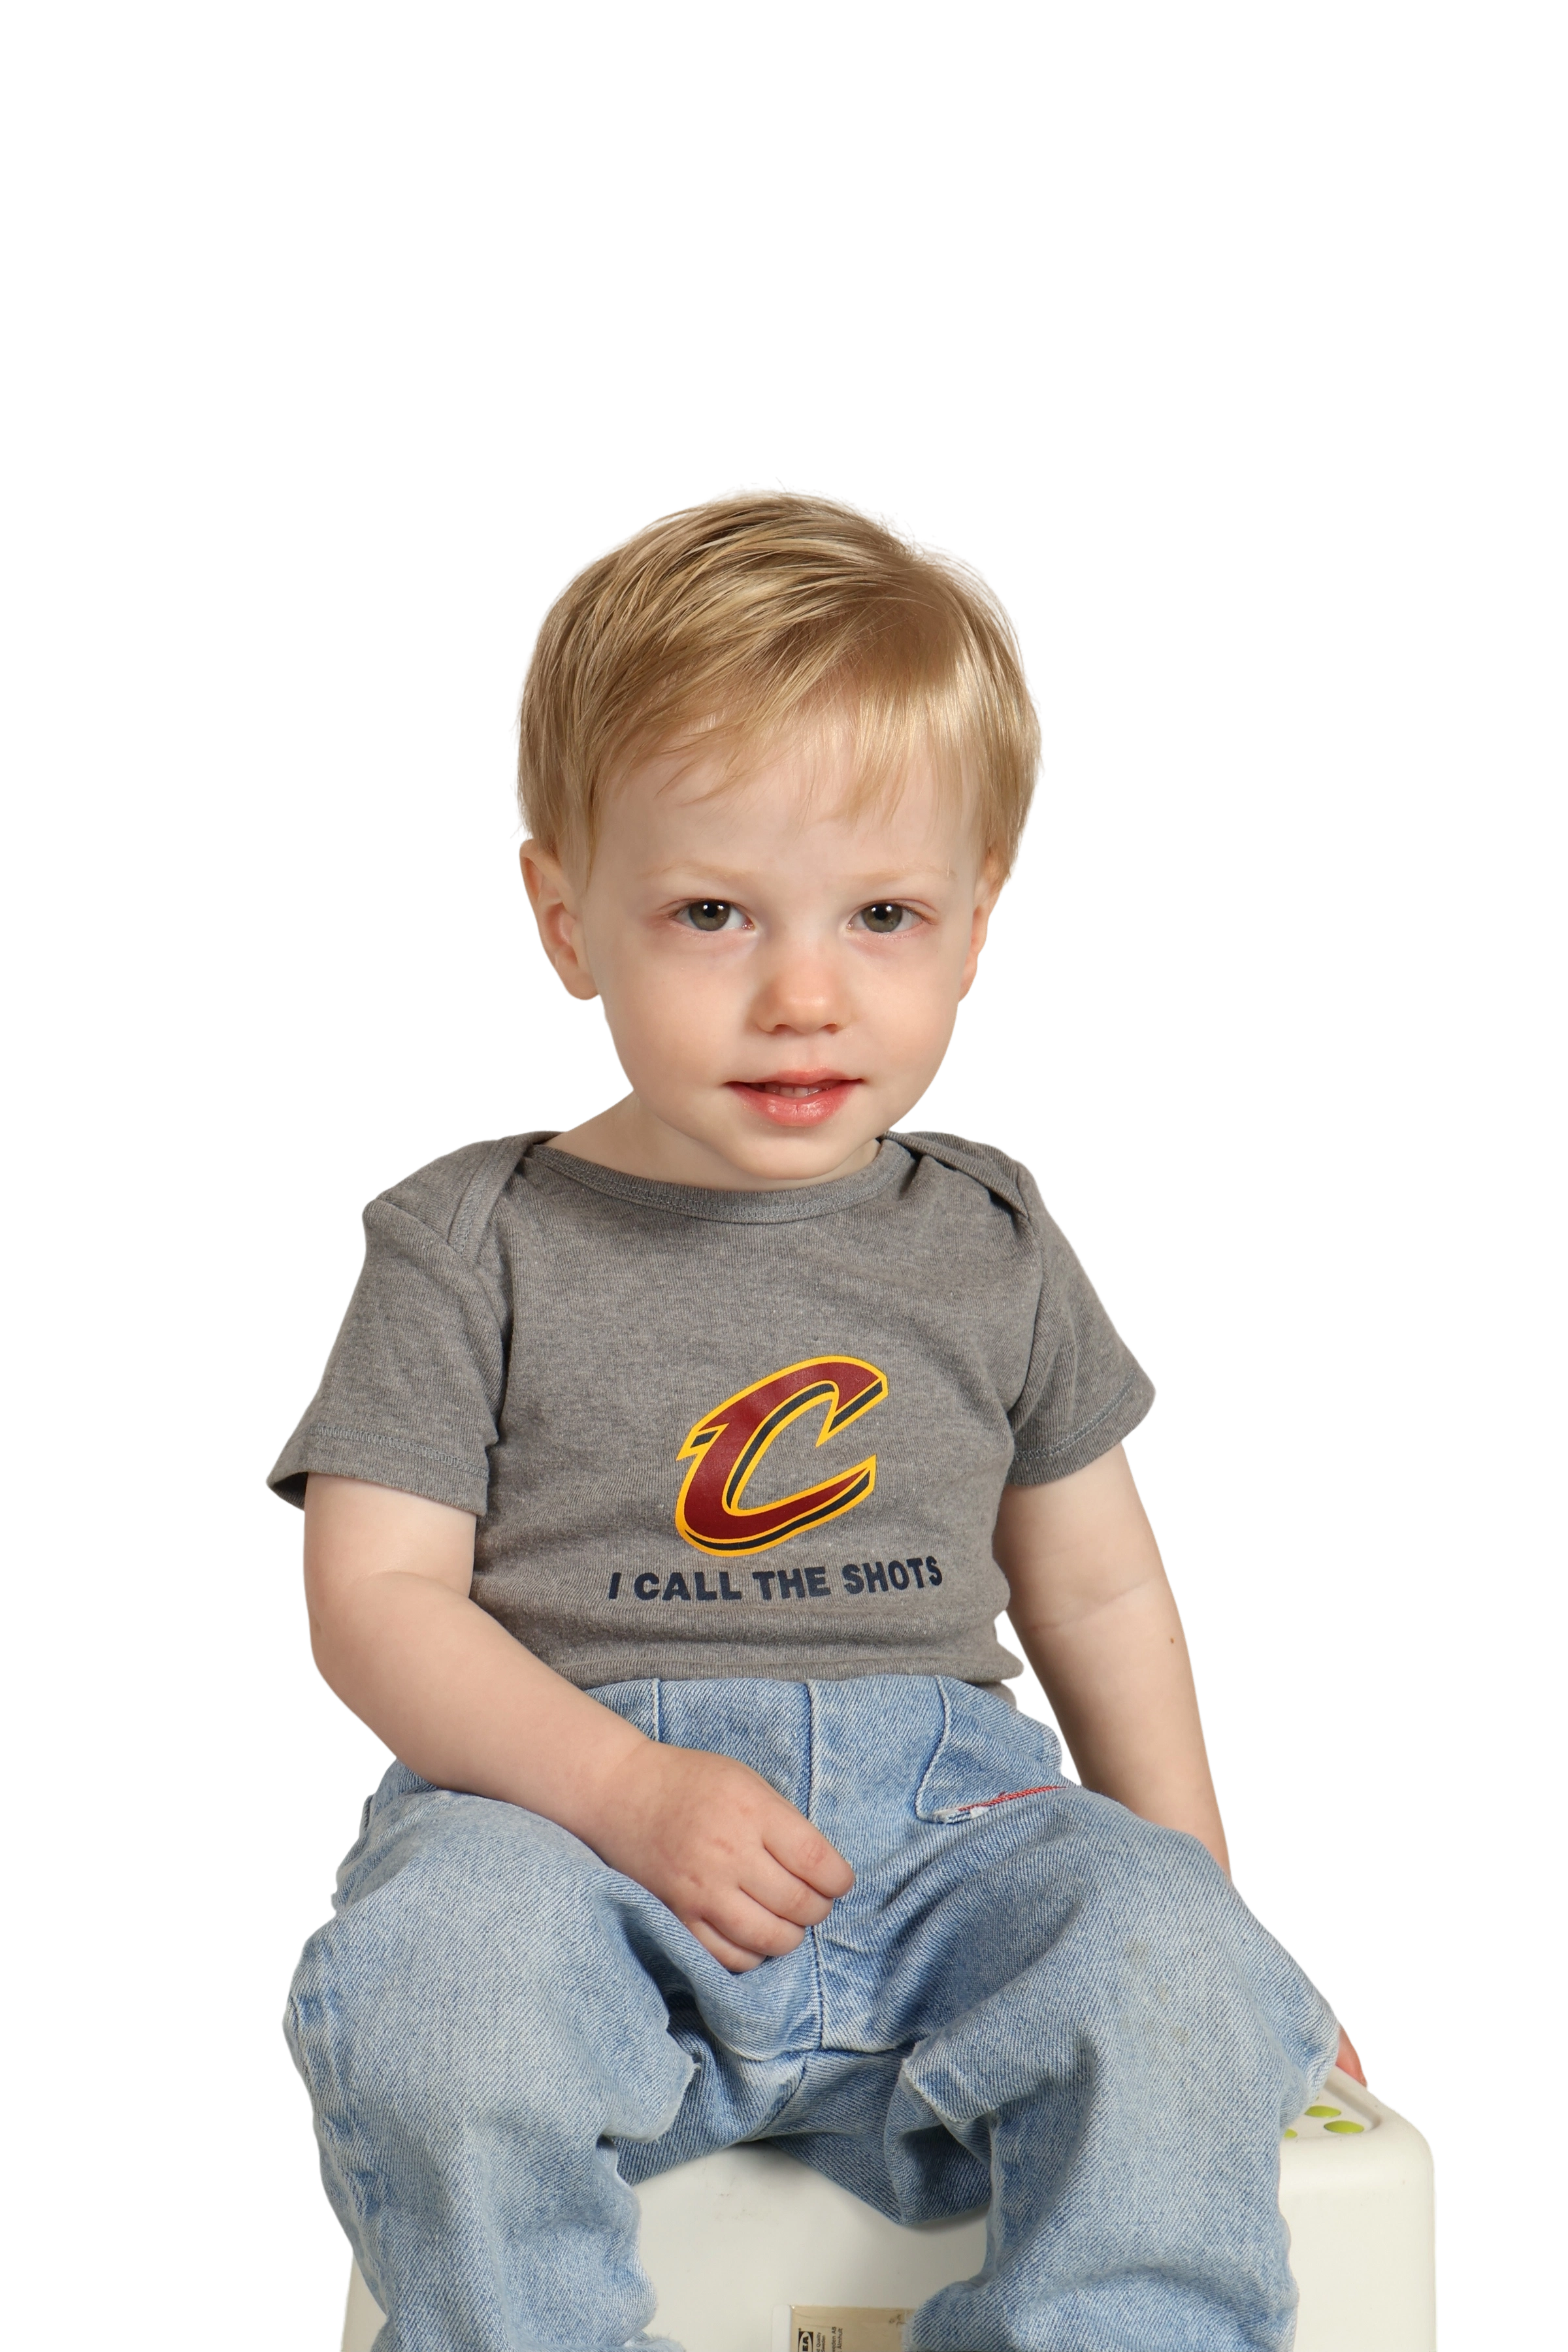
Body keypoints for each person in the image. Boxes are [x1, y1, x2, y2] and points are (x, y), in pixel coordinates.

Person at [265, 483, 1361, 2352]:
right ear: (566, 922)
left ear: (978, 920)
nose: (804, 994)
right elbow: (375, 1601)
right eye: (713, 912)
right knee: (432, 1979)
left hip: (948, 1835)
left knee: (1174, 1960)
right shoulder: (469, 1234)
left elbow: (1098, 1593)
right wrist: (623, 1791)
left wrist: (1209, 1907)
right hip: (565, 1824)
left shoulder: (993, 1233)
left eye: (883, 915)